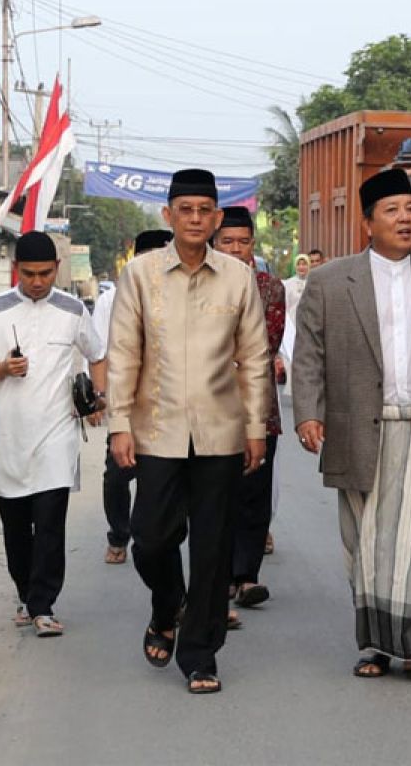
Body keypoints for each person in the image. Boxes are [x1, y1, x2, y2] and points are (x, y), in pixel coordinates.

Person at [292, 168, 411, 683]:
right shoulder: (330, 281)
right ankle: (379, 643)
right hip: (360, 430)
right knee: (368, 539)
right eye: (393, 211)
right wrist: (308, 411)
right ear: (368, 223)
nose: (407, 220)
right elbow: (308, 354)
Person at [106, 169, 271, 695]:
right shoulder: (140, 275)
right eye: (186, 210)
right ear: (168, 216)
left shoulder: (238, 277)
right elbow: (124, 353)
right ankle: (166, 603)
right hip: (157, 429)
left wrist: (256, 427)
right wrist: (118, 425)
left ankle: (201, 653)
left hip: (222, 432)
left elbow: (254, 358)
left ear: (217, 217)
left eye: (205, 211)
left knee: (213, 548)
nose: (196, 219)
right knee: (150, 540)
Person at [0, 231, 104, 638]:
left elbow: (98, 355)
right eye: (29, 274)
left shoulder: (74, 310)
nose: (38, 281)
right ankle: (26, 594)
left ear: (57, 270)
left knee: (49, 525)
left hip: (57, 434)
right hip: (9, 436)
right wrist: (2, 370)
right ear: (16, 271)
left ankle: (43, 604)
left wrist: (98, 397)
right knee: (16, 527)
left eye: (45, 273)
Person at [212, 206, 285, 614]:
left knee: (254, 493)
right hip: (210, 405)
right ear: (215, 243)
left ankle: (248, 575)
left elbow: (265, 346)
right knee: (217, 494)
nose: (236, 249)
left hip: (259, 404)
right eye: (228, 242)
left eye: (243, 242)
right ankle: (218, 575)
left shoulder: (271, 288)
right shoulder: (200, 283)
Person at [91, 229, 173, 564]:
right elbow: (99, 349)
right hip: (126, 400)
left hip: (169, 403)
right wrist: (104, 398)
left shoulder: (182, 293)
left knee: (164, 477)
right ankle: (119, 535)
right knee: (117, 474)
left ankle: (155, 536)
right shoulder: (112, 299)